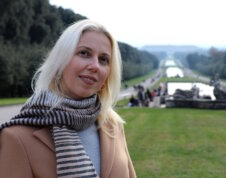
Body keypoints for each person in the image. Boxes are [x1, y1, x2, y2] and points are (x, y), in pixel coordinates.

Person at [0, 19, 136, 178]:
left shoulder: (114, 126)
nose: (95, 66)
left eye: (103, 59)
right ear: (60, 61)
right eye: (84, 53)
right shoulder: (16, 138)